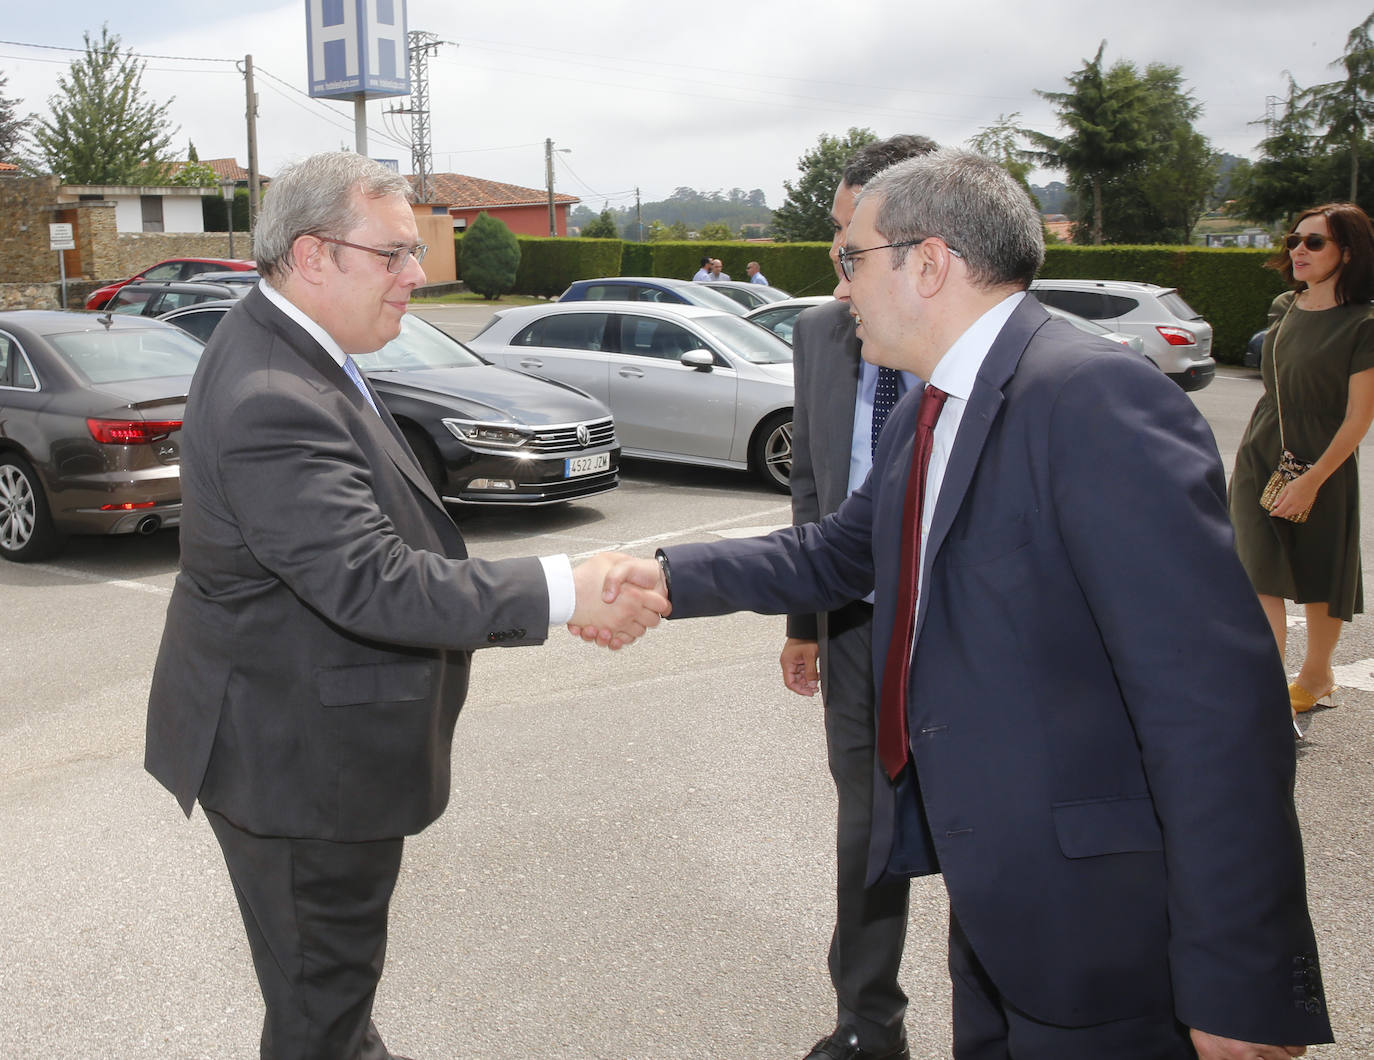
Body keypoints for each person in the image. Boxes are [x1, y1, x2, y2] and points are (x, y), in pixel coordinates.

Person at [588, 149, 1331, 1059]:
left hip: (1104, 941)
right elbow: (837, 553)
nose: (838, 278)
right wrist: (661, 574)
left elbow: (1214, 704)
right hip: (998, 905)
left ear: (926, 263)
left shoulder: (1091, 394)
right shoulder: (935, 404)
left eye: (851, 254)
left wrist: (1240, 979)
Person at [144, 152, 665, 1060]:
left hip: (296, 748)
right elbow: (371, 579)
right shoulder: (275, 392)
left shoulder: (299, 349)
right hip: (300, 770)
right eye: (392, 254)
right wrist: (567, 588)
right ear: (313, 256)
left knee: (322, 1000)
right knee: (322, 1013)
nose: (418, 274)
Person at [781, 133, 936, 1060]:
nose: (836, 272)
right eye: (835, 243)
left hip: (956, 632)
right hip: (853, 628)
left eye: (851, 247)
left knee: (986, 825)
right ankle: (867, 1021)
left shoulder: (994, 355)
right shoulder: (818, 333)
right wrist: (806, 620)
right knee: (867, 833)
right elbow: (811, 489)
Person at [1228, 202, 1374, 724]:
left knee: (1319, 569)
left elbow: (1359, 418)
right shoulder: (1282, 306)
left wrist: (1312, 480)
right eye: (1295, 239)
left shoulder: (1363, 324)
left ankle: (1316, 674)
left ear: (1347, 253)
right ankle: (1267, 686)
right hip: (1264, 447)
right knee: (1257, 569)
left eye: (1315, 243)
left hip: (1324, 459)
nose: (1298, 250)